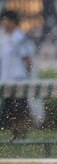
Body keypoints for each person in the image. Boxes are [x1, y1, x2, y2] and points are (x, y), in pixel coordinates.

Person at [0, 10, 36, 139]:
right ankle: (14, 133)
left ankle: (23, 133)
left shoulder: (20, 37)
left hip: (18, 79)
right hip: (6, 80)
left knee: (20, 108)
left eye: (7, 20)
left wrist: (27, 76)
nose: (4, 23)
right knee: (9, 109)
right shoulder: (2, 38)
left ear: (14, 22)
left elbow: (27, 60)